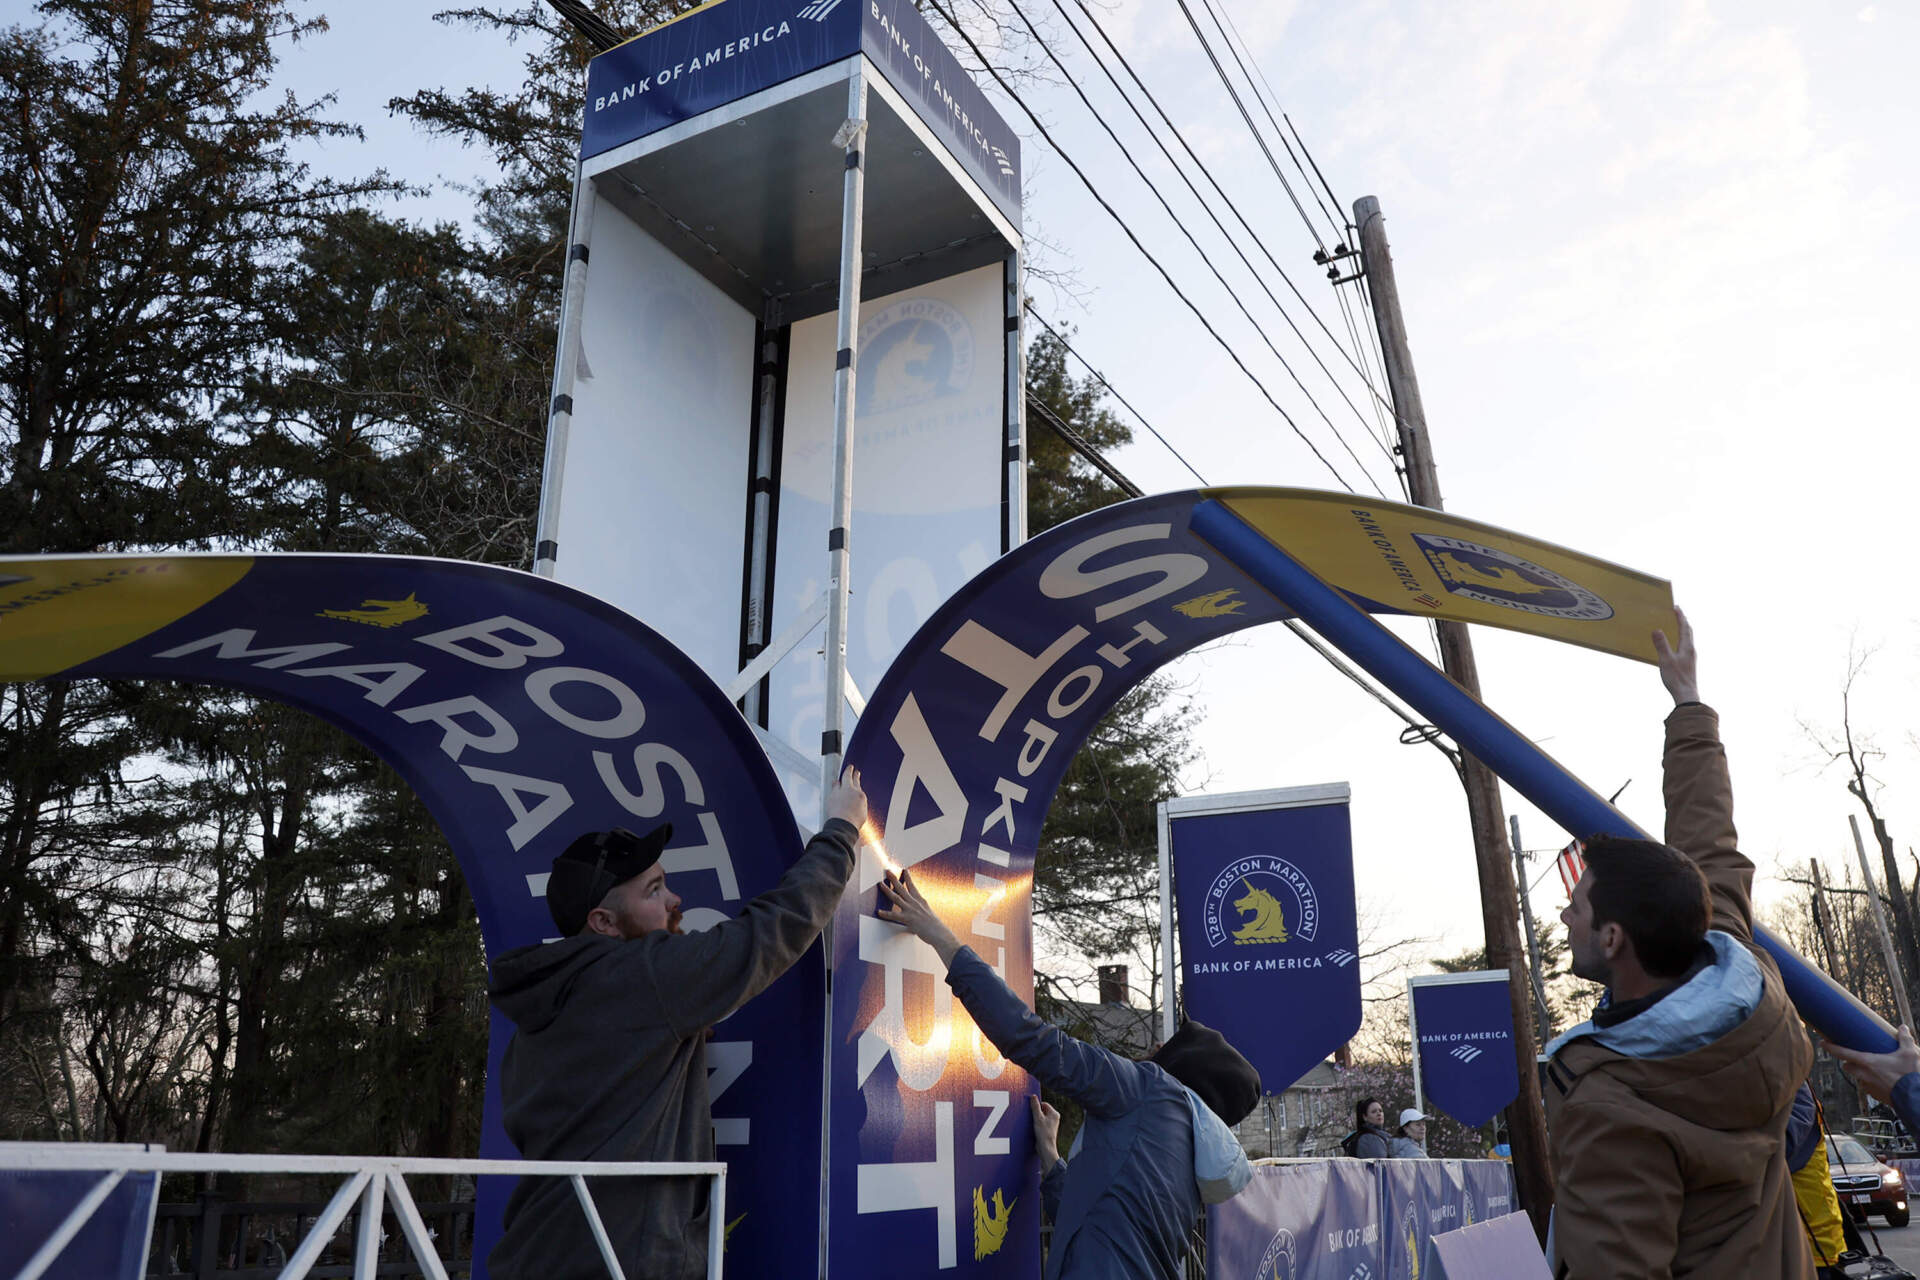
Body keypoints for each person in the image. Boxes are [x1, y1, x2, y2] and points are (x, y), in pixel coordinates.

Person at [485, 769, 870, 1280]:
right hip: (625, 1263)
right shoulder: (641, 976)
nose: (674, 900)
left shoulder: (550, 1002)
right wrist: (842, 828)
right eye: (654, 890)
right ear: (602, 923)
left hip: (538, 1255)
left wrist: (661, 1037)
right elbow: (770, 931)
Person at [1542, 611, 1814, 1279]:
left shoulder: (1614, 1110)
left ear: (1613, 937)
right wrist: (1688, 703)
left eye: (1575, 907)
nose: (1563, 917)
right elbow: (1708, 841)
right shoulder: (1742, 983)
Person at [878, 867, 1258, 1279]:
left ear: (1186, 1069)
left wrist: (939, 934)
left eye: (1168, 1047)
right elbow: (1094, 1224)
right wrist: (1052, 1161)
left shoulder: (1148, 1090)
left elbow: (1030, 1038)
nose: (1154, 1048)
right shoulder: (1186, 1155)